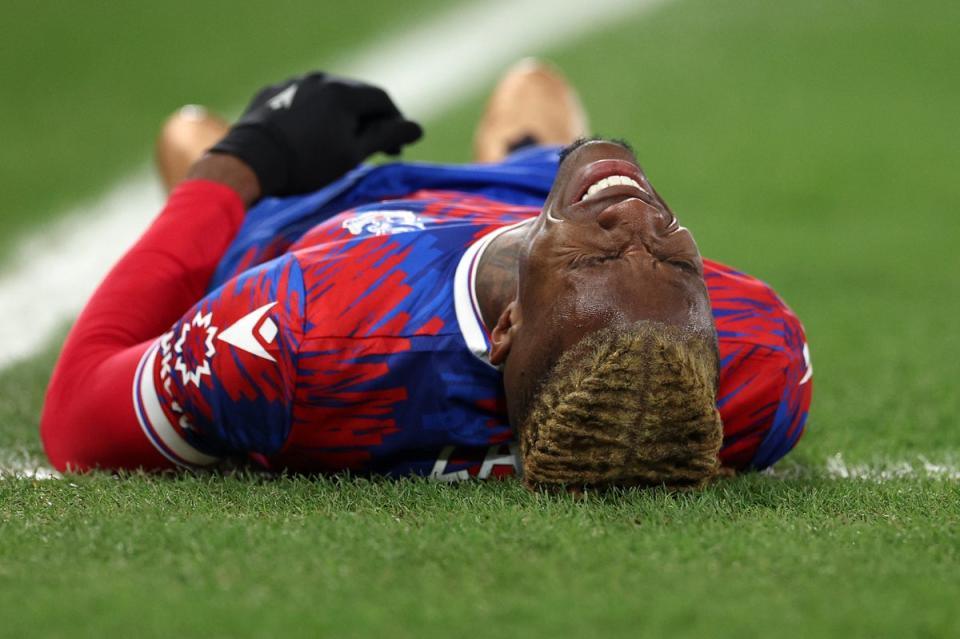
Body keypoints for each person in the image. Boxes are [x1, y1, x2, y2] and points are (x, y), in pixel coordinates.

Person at [41, 60, 812, 491]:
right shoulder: (756, 359)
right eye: (681, 261)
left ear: (510, 323)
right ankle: (534, 178)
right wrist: (595, 241)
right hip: (536, 202)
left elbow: (76, 416)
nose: (644, 220)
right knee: (533, 84)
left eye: (607, 252)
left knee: (188, 131)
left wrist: (245, 158)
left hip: (326, 231)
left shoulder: (300, 331)